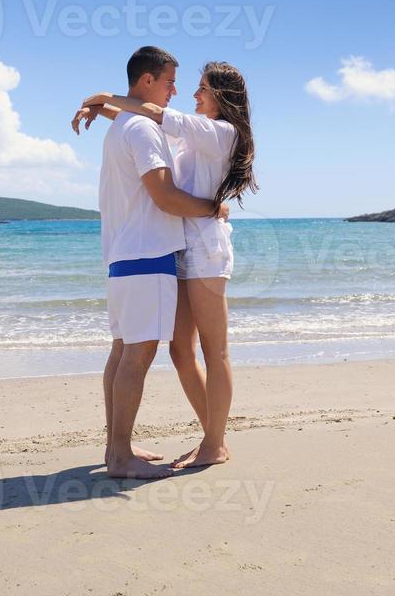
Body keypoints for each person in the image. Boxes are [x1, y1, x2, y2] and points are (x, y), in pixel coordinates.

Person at [73, 61, 257, 469]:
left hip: (207, 249)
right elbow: (140, 119)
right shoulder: (193, 134)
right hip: (180, 249)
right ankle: (211, 435)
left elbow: (152, 113)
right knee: (179, 350)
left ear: (222, 96)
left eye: (202, 89)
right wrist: (101, 111)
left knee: (215, 350)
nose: (194, 95)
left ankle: (214, 443)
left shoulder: (220, 132)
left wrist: (101, 96)